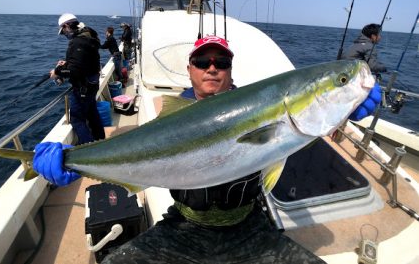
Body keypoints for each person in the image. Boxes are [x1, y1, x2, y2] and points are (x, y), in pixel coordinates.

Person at [34, 35, 382, 263]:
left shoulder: (262, 105)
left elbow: (307, 124)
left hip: (249, 226)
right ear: (190, 70)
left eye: (221, 63)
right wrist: (71, 161)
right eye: (202, 62)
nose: (212, 68)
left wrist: (350, 107)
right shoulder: (173, 110)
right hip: (183, 226)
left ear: (231, 71)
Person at [51, 13, 105, 145]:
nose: (64, 35)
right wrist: (68, 64)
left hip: (83, 89)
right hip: (92, 85)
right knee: (92, 113)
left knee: (76, 119)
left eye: (63, 32)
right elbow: (84, 62)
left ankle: (90, 150)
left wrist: (57, 71)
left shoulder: (77, 42)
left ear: (66, 26)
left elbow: (75, 71)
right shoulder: (89, 36)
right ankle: (100, 140)